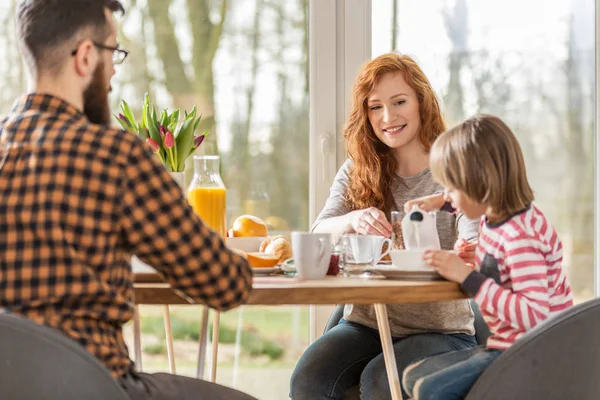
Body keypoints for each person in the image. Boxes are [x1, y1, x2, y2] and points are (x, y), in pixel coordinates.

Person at [2, 1, 255, 399]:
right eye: (113, 53)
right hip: (97, 386)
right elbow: (224, 285)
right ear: (86, 56)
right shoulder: (114, 156)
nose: (114, 71)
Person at [290, 52, 480, 400]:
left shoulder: (455, 170)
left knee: (381, 381)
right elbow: (319, 230)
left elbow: (476, 243)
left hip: (442, 331)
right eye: (375, 107)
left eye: (399, 102)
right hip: (366, 324)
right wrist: (352, 219)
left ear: (422, 102)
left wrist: (466, 250)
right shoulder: (357, 170)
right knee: (308, 380)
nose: (388, 117)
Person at [402, 114, 574, 400]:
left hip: (534, 353)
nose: (449, 196)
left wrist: (469, 278)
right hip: (509, 345)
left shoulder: (521, 235)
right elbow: (505, 271)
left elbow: (535, 316)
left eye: (452, 188)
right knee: (412, 378)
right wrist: (438, 202)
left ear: (481, 182)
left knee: (429, 389)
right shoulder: (495, 215)